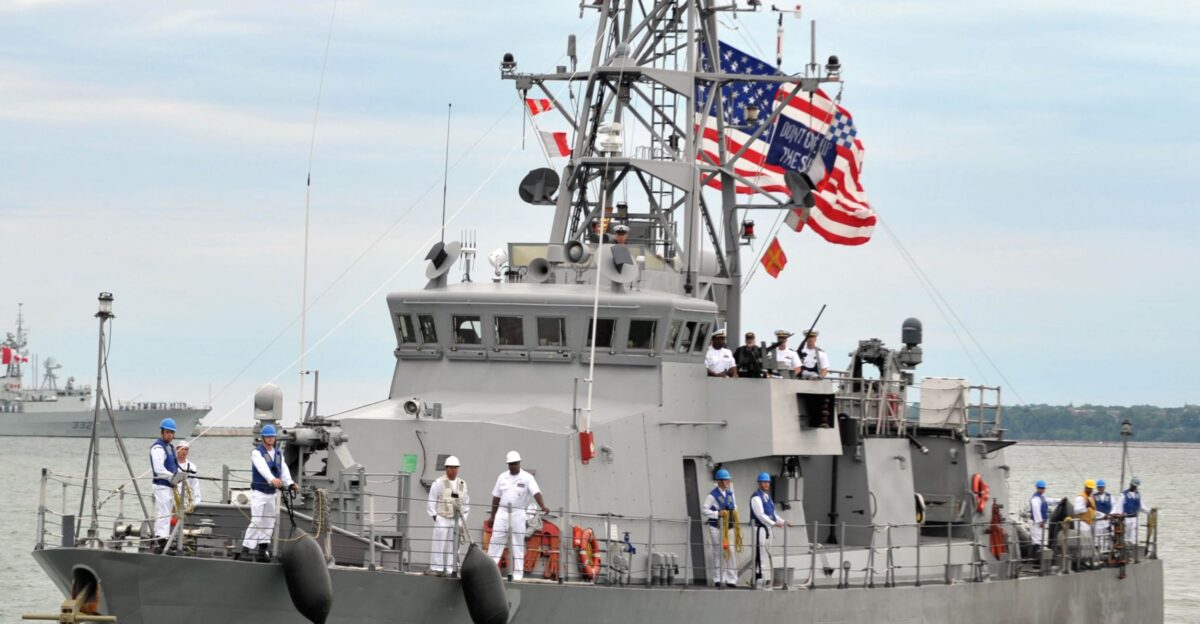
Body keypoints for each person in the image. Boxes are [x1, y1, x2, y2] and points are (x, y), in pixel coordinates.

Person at [239, 424, 298, 562]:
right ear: (263, 438)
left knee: (269, 521)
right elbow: (262, 468)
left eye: (272, 437)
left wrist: (290, 483)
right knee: (257, 520)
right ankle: (245, 549)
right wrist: (272, 479)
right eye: (268, 437)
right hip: (259, 492)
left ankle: (262, 550)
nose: (271, 439)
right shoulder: (257, 453)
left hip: (272, 494)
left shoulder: (278, 453)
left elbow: (284, 470)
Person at [487, 451, 549, 580]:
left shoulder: (527, 478)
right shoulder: (502, 477)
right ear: (508, 465)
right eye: (511, 464)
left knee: (517, 542)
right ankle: (489, 571)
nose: (513, 466)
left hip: (518, 512)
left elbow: (536, 492)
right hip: (502, 512)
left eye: (515, 463)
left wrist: (543, 506)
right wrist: (492, 516)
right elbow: (496, 498)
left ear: (519, 463)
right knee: (496, 540)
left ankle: (518, 573)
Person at [427, 455, 469, 576]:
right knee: (438, 543)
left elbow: (466, 503)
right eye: (451, 468)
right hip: (442, 518)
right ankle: (437, 567)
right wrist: (435, 516)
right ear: (446, 468)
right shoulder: (438, 483)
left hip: (456, 519)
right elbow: (432, 500)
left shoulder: (462, 484)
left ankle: (452, 569)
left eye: (456, 468)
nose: (453, 470)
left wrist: (462, 520)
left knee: (454, 545)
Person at [701, 469, 739, 587]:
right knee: (718, 552)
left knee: (731, 552)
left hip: (729, 527)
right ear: (719, 481)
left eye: (728, 479)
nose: (727, 481)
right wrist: (717, 514)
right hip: (716, 527)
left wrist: (734, 516)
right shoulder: (712, 495)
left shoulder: (730, 493)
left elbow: (735, 506)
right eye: (725, 479)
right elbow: (704, 510)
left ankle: (731, 578)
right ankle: (718, 578)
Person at [749, 473, 786, 589]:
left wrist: (784, 522)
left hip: (767, 529)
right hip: (760, 529)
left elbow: (773, 514)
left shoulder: (767, 497)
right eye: (764, 482)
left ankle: (763, 580)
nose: (767, 484)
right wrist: (774, 523)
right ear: (759, 483)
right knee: (761, 554)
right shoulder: (756, 497)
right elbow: (760, 515)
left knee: (766, 554)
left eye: (768, 482)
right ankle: (759, 580)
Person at [149, 417, 179, 553]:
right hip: (161, 485)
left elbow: (173, 466)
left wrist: (179, 477)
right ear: (162, 432)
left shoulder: (171, 448)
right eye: (167, 432)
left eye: (172, 433)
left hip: (170, 485)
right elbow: (159, 469)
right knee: (164, 512)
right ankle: (161, 540)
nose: (170, 435)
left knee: (167, 513)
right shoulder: (157, 447)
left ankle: (163, 538)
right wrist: (172, 477)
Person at [1119, 477, 1151, 547]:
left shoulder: (1137, 495)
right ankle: (1125, 550)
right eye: (1133, 485)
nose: (1134, 487)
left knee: (1134, 536)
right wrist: (1119, 515)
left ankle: (1133, 549)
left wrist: (1150, 511)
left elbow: (1142, 507)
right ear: (1130, 484)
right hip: (1126, 518)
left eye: (1135, 486)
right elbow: (1119, 506)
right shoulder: (1124, 495)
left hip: (1135, 518)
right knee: (1126, 536)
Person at [1072, 479, 1097, 549]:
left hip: (1090, 523)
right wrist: (1086, 507)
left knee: (1089, 543)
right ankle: (1082, 558)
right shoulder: (1080, 498)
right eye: (1089, 488)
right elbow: (1076, 510)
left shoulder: (1091, 498)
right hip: (1082, 523)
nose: (1090, 490)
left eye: (1091, 489)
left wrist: (1104, 515)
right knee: (1083, 543)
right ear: (1085, 488)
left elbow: (1094, 510)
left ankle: (1089, 556)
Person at [175, 441, 202, 506]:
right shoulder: (171, 465)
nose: (184, 451)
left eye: (186, 450)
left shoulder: (192, 466)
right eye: (181, 449)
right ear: (177, 450)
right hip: (173, 496)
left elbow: (195, 485)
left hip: (186, 498)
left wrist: (197, 501)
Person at [1029, 480, 1049, 559]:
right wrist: (1040, 521)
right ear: (1037, 488)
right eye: (1040, 488)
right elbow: (1036, 511)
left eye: (1043, 488)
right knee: (1036, 541)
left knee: (1040, 540)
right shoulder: (1035, 499)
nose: (1042, 489)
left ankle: (1038, 558)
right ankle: (1035, 559)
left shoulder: (1042, 497)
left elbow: (1048, 501)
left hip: (1041, 523)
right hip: (1036, 523)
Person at [1092, 479, 1113, 552]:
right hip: (1098, 521)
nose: (1100, 488)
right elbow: (1093, 510)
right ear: (1097, 488)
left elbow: (1114, 506)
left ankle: (1106, 552)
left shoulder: (1109, 496)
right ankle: (1097, 552)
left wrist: (1111, 514)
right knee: (1097, 539)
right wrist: (1102, 515)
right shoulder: (1093, 497)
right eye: (1099, 487)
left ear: (1104, 487)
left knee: (1107, 537)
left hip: (1107, 521)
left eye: (1102, 487)